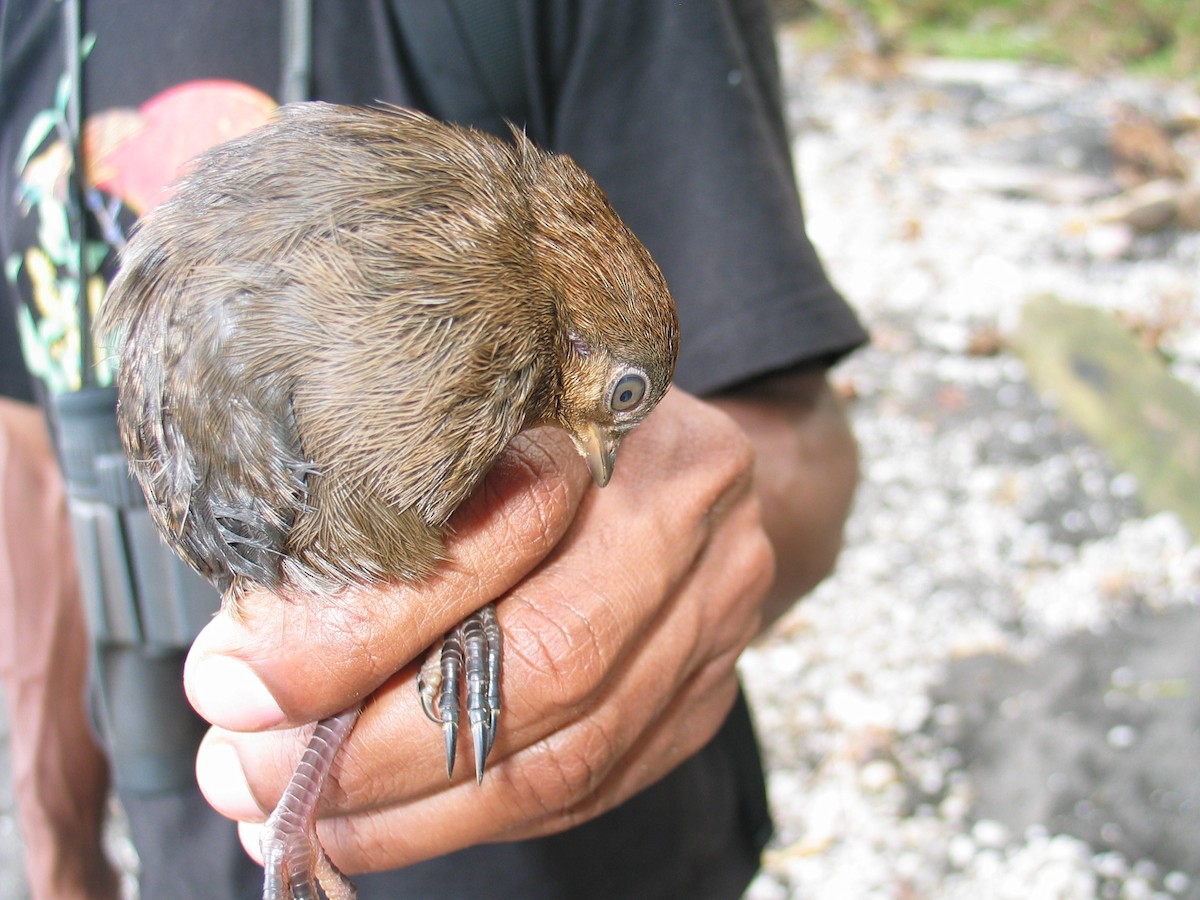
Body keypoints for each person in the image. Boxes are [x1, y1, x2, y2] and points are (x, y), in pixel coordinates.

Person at [0, 2, 866, 897]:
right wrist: (57, 850)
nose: (604, 445)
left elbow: (797, 440)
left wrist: (707, 534)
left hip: (585, 861)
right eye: (619, 403)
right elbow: (25, 465)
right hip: (187, 846)